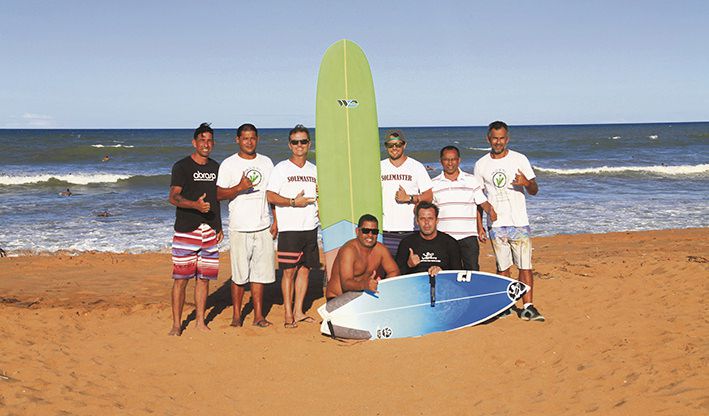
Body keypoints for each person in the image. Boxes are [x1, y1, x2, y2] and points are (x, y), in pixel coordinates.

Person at [474, 121, 544, 321]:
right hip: (496, 225)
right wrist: (479, 226)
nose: (498, 142)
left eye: (502, 138)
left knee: (524, 266)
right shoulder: (481, 164)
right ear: (488, 139)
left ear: (507, 139)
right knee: (502, 267)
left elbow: (534, 190)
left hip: (519, 222)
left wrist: (526, 182)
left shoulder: (519, 159)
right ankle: (505, 305)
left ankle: (528, 306)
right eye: (494, 138)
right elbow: (478, 198)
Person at [217, 123, 276, 328]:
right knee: (239, 275)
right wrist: (239, 187)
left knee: (260, 275)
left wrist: (275, 220)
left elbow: (272, 193)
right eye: (245, 138)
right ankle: (236, 316)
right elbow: (218, 194)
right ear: (237, 140)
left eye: (252, 138)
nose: (249, 142)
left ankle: (258, 316)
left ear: (257, 139)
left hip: (263, 226)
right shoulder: (228, 164)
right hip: (239, 227)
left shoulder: (266, 162)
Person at [168, 122, 223, 336]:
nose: (206, 144)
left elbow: (217, 200)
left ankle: (200, 321)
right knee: (181, 279)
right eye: (202, 140)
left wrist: (218, 225)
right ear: (194, 143)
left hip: (209, 231)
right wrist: (195, 205)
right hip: (186, 230)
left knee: (204, 279)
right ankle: (176, 324)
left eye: (209, 141)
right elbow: (173, 197)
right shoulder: (182, 166)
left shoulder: (216, 167)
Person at [266, 124, 318, 328]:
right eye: (295, 142)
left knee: (305, 270)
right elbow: (270, 196)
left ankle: (299, 311)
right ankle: (288, 313)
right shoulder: (281, 168)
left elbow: (320, 195)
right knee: (289, 272)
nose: (299, 145)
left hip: (310, 227)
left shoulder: (315, 169)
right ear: (289, 145)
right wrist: (293, 202)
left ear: (309, 144)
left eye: (303, 141)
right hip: (290, 229)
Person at [432, 145, 497, 271]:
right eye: (446, 160)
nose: (450, 163)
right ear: (441, 161)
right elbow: (430, 212)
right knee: (447, 272)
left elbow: (482, 202)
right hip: (444, 237)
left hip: (468, 237)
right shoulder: (433, 184)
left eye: (453, 159)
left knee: (471, 272)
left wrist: (490, 211)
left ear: (459, 160)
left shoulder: (471, 180)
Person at [380, 129, 433, 256]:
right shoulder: (379, 166)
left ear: (404, 145)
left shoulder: (416, 166)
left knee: (410, 266)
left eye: (398, 144)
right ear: (386, 146)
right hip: (385, 230)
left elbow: (429, 196)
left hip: (410, 230)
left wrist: (409, 198)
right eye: (390, 145)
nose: (394, 148)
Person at [325, 214, 400, 300]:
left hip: (362, 296)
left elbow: (394, 271)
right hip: (338, 297)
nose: (370, 235)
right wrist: (365, 285)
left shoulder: (381, 249)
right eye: (365, 231)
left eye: (374, 232)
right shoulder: (349, 250)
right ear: (357, 231)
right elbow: (346, 284)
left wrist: (381, 286)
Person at [396, 201, 462, 276]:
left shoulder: (450, 243)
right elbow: (396, 275)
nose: (426, 222)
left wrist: (442, 273)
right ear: (417, 221)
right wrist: (409, 265)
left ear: (437, 220)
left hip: (442, 282)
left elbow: (457, 274)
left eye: (430, 218)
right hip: (415, 282)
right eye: (422, 219)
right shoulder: (407, 243)